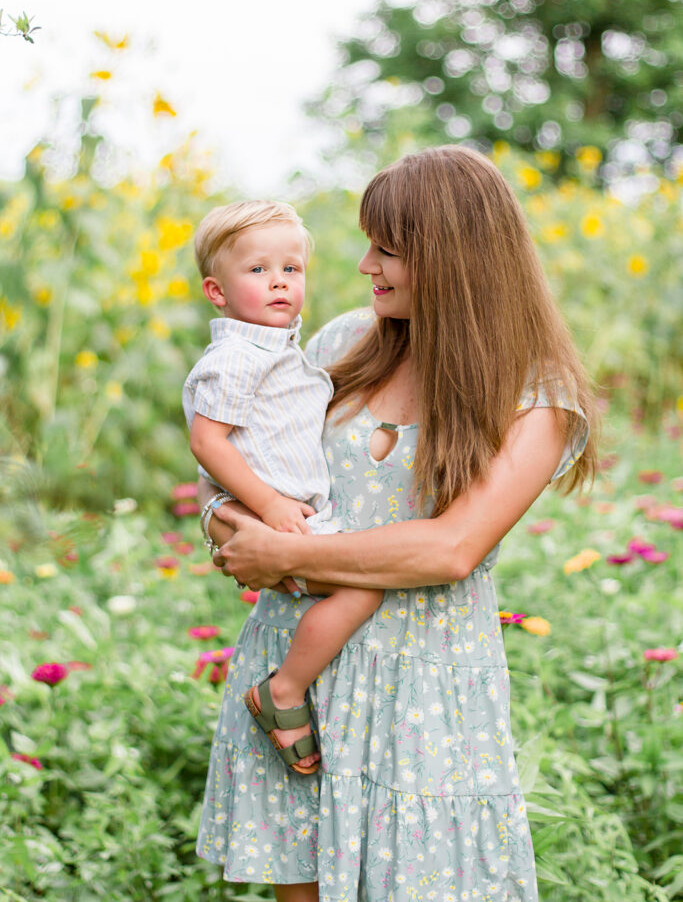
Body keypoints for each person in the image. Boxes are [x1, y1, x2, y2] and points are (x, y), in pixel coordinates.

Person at [196, 146, 597, 902]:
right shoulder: (338, 343)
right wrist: (227, 526)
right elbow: (227, 470)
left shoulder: (536, 394)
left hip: (427, 693)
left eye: (386, 249)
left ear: (450, 256)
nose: (363, 265)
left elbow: (451, 548)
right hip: (297, 678)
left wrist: (282, 552)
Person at [183, 200, 384, 774]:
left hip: (286, 509)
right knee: (362, 588)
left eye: (291, 269)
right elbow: (208, 443)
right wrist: (268, 505)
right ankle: (285, 690)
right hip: (273, 509)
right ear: (217, 292)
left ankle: (295, 684)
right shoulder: (237, 358)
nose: (279, 282)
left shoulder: (276, 350)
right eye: (257, 271)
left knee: (356, 586)